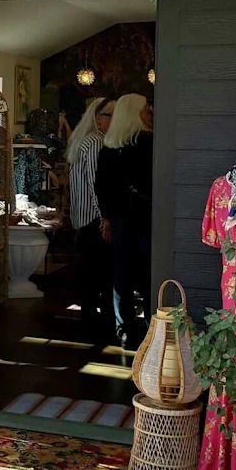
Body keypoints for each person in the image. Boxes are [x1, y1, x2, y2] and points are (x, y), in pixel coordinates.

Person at [95, 93, 153, 347]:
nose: (150, 113)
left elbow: (101, 189)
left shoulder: (109, 149)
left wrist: (107, 217)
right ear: (135, 113)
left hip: (120, 221)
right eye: (146, 110)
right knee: (149, 275)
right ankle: (154, 330)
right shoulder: (148, 143)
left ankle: (125, 330)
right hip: (146, 219)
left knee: (122, 277)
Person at [67, 97, 115, 340]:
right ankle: (104, 331)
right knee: (102, 280)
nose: (115, 120)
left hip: (82, 221)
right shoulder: (96, 142)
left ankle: (90, 328)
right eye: (110, 115)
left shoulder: (81, 141)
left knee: (88, 278)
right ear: (97, 118)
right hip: (94, 222)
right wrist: (105, 218)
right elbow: (97, 186)